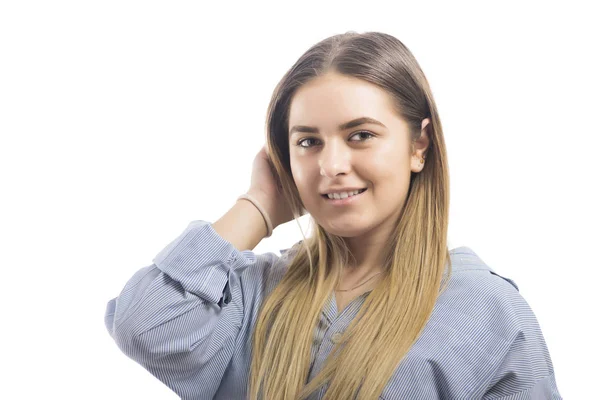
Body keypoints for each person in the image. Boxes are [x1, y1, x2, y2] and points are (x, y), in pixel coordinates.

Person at [105, 31, 562, 399]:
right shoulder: (248, 293)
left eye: (360, 135)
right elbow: (141, 323)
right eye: (308, 141)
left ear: (418, 146)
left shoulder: (488, 314)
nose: (331, 165)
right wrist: (259, 204)